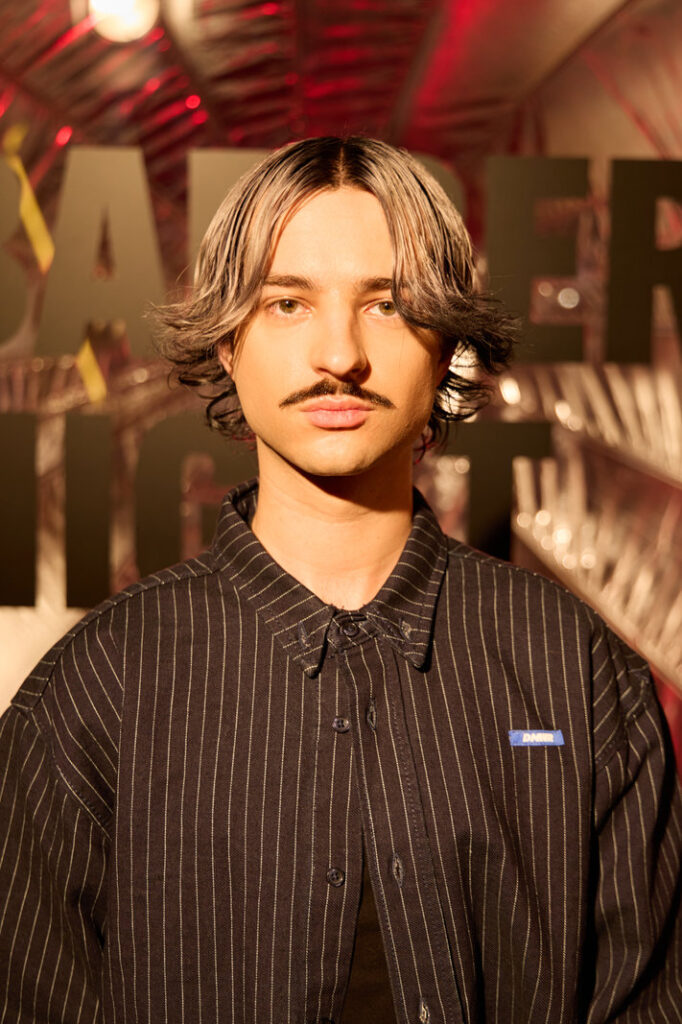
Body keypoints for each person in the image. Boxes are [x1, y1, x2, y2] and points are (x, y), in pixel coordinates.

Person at [1, 136, 680, 1024]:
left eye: (387, 305)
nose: (339, 354)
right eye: (287, 303)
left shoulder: (574, 669)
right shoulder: (99, 686)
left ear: (446, 342)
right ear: (228, 341)